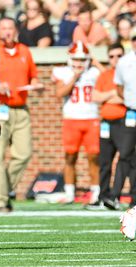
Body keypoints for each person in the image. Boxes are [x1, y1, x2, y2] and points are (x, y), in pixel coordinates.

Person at [0, 17, 40, 213]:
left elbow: (33, 74)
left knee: (24, 153)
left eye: (10, 28)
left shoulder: (24, 50)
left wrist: (35, 84)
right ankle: (0, 202)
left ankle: (5, 189)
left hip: (20, 108)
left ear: (16, 30)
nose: (7, 31)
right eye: (4, 28)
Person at [52, 41, 102, 204]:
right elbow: (60, 93)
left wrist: (96, 62)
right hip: (71, 119)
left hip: (91, 118)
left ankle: (96, 192)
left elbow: (111, 76)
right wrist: (75, 76)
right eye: (76, 59)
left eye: (82, 59)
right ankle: (69, 192)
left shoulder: (94, 72)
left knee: (93, 157)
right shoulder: (64, 72)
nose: (79, 63)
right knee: (70, 156)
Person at [86, 43, 126, 210]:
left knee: (125, 161)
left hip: (124, 122)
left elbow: (127, 98)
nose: (115, 59)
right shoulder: (105, 75)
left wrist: (107, 96)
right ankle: (103, 196)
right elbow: (95, 96)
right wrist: (112, 94)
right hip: (106, 123)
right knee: (105, 161)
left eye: (119, 55)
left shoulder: (128, 74)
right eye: (111, 56)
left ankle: (116, 196)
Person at [105, 31, 136, 210]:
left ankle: (134, 198)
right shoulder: (124, 62)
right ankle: (114, 195)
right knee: (125, 154)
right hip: (132, 112)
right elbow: (119, 88)